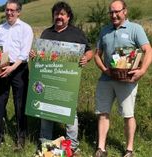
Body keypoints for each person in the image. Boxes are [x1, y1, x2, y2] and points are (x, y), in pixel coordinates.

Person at [30, 1, 93, 156]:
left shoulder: (76, 33)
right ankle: (45, 143)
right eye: (56, 14)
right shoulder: (46, 33)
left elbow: (90, 51)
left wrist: (86, 58)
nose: (59, 17)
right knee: (45, 111)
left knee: (70, 113)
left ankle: (72, 145)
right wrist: (34, 55)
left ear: (68, 16)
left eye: (62, 14)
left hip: (67, 82)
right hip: (48, 80)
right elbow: (40, 55)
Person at [94, 0, 152, 157]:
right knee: (103, 112)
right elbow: (97, 54)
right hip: (106, 80)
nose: (113, 15)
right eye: (111, 12)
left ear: (125, 11)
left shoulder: (135, 29)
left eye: (117, 11)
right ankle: (101, 148)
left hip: (127, 81)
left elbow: (148, 50)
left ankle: (129, 149)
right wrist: (104, 69)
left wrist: (142, 71)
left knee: (128, 114)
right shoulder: (104, 30)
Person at [0, 0, 33, 149]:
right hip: (2, 68)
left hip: (19, 69)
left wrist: (12, 68)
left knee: (19, 104)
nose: (9, 13)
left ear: (18, 12)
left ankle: (20, 139)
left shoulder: (26, 28)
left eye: (12, 10)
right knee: (0, 103)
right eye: (7, 10)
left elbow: (24, 53)